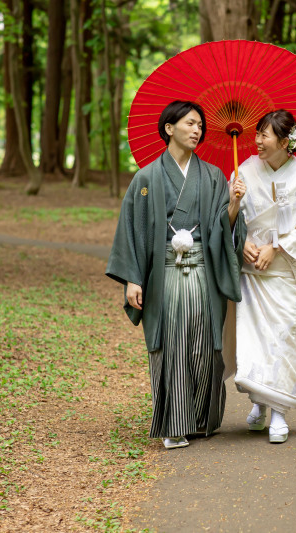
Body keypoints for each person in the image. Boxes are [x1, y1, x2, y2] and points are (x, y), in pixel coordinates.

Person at [106, 100, 246, 449]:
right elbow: (133, 231)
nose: (197, 130)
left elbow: (222, 228)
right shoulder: (146, 178)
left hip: (203, 271)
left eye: (200, 125)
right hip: (165, 273)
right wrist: (133, 279)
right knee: (170, 344)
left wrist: (233, 205)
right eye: (189, 123)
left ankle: (200, 418)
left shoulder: (213, 176)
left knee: (205, 345)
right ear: (169, 128)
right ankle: (173, 425)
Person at [224, 109, 296, 444]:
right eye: (256, 134)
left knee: (282, 339)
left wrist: (277, 247)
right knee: (253, 342)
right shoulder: (243, 171)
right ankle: (259, 403)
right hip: (251, 273)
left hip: (283, 271)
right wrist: (241, 239)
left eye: (264, 135)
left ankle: (279, 412)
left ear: (285, 142)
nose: (257, 141)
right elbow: (228, 220)